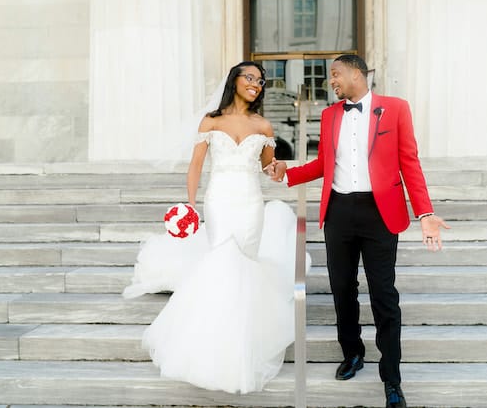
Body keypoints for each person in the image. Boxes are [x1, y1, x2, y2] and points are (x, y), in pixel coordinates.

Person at [267, 54, 450, 408]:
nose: (330, 81)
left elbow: (409, 162)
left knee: (384, 296)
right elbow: (324, 164)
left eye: (335, 74)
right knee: (342, 289)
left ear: (355, 73)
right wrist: (287, 174)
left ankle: (392, 378)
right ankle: (352, 353)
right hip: (339, 212)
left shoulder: (395, 109)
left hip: (380, 212)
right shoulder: (329, 114)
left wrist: (424, 212)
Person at [123, 61, 306, 394]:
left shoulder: (263, 126)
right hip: (220, 200)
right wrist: (190, 205)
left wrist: (281, 169)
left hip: (251, 202)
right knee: (221, 262)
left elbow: (268, 169)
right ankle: (211, 339)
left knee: (244, 265)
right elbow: (196, 166)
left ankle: (242, 341)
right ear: (234, 80)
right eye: (249, 77)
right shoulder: (210, 121)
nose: (256, 83)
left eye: (261, 80)